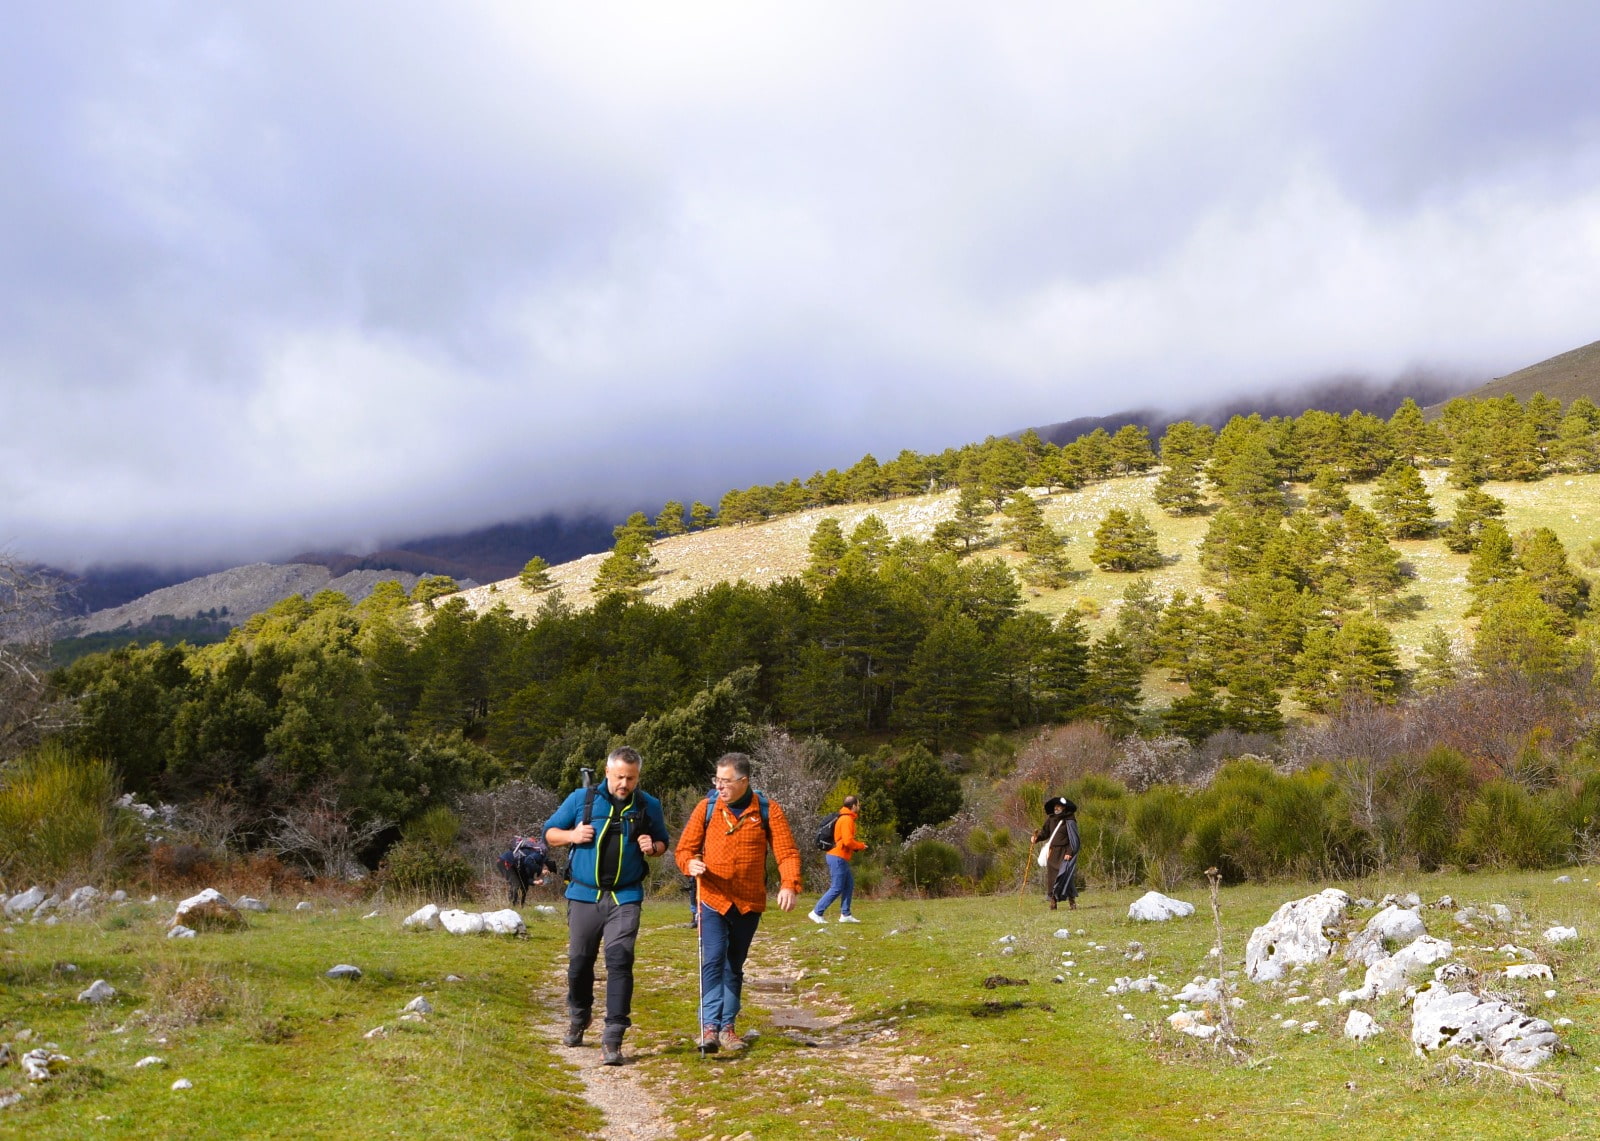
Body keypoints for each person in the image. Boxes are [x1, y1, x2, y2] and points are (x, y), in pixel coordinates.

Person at [544, 746, 670, 1066]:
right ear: (606, 772)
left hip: (625, 896)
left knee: (620, 957)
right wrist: (573, 834)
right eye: (619, 777)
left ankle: (613, 1035)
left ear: (638, 777)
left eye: (631, 778)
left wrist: (652, 847)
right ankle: (579, 1015)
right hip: (584, 894)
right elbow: (550, 834)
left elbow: (662, 842)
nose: (624, 784)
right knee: (579, 961)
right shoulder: (581, 800)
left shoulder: (647, 805)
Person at [675, 752, 803, 1054]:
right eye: (716, 780)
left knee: (734, 964)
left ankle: (727, 1028)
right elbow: (684, 849)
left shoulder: (768, 810)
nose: (719, 787)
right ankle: (708, 1027)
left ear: (744, 781)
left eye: (725, 781)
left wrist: (789, 885)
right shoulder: (706, 808)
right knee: (712, 959)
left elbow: (787, 853)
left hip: (748, 902)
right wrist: (690, 864)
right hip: (712, 900)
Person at [807, 795, 867, 923]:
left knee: (848, 885)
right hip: (837, 857)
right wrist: (861, 846)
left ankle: (845, 914)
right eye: (858, 804)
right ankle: (817, 912)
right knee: (837, 887)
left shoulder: (844, 817)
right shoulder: (847, 819)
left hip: (839, 856)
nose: (859, 807)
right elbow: (847, 841)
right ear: (854, 806)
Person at [1034, 796, 1081, 910]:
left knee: (1065, 877)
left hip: (1065, 853)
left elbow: (1073, 839)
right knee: (1052, 878)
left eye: (1059, 806)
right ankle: (1053, 902)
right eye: (1055, 806)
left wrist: (1069, 852)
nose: (1056, 808)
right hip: (1053, 853)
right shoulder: (1051, 819)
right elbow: (1045, 833)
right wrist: (1036, 838)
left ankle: (1072, 901)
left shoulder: (1070, 821)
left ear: (1064, 808)